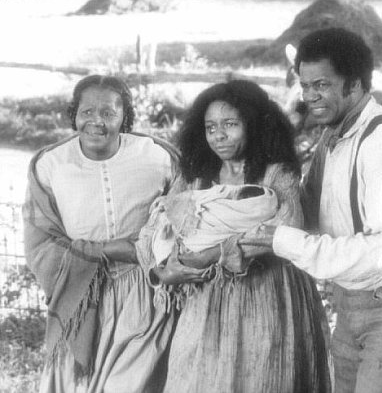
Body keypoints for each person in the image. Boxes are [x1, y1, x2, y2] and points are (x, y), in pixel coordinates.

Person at [245, 28, 382, 393]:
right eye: (305, 86)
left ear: (353, 84)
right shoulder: (335, 135)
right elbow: (306, 207)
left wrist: (284, 241)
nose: (309, 97)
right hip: (355, 299)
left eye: (321, 85)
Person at [137, 79, 331, 393]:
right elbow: (154, 229)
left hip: (269, 296)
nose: (219, 136)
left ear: (253, 125)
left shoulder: (276, 173)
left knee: (263, 377)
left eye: (230, 124)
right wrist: (161, 271)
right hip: (205, 303)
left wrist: (211, 254)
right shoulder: (196, 175)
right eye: (210, 127)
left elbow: (285, 228)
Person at [22, 75, 181, 393]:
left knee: (132, 383)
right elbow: (40, 242)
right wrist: (109, 249)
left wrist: (155, 253)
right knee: (78, 385)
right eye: (87, 112)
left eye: (108, 113)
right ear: (74, 114)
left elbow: (182, 217)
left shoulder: (158, 157)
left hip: (144, 292)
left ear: (125, 117)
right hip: (79, 294)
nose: (96, 122)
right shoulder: (51, 165)